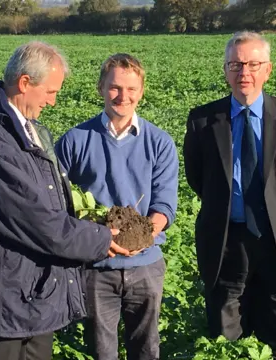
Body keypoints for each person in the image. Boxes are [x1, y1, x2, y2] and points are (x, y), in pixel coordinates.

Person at [0, 41, 130, 360]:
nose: (54, 101)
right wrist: (99, 238)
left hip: (30, 297)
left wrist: (92, 219)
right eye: (50, 91)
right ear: (24, 83)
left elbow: (52, 202)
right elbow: (34, 219)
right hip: (1, 305)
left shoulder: (29, 129)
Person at [183, 31, 276, 360]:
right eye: (235, 64)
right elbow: (197, 178)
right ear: (225, 70)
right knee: (226, 338)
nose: (243, 72)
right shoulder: (203, 120)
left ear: (267, 69)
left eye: (252, 64)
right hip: (227, 242)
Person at [55, 53, 178, 360]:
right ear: (100, 88)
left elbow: (164, 204)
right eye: (115, 87)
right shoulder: (75, 140)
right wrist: (98, 238)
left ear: (142, 91)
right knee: (100, 351)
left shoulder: (159, 142)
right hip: (96, 266)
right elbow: (56, 201)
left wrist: (143, 234)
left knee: (146, 349)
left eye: (131, 89)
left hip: (145, 266)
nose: (123, 96)